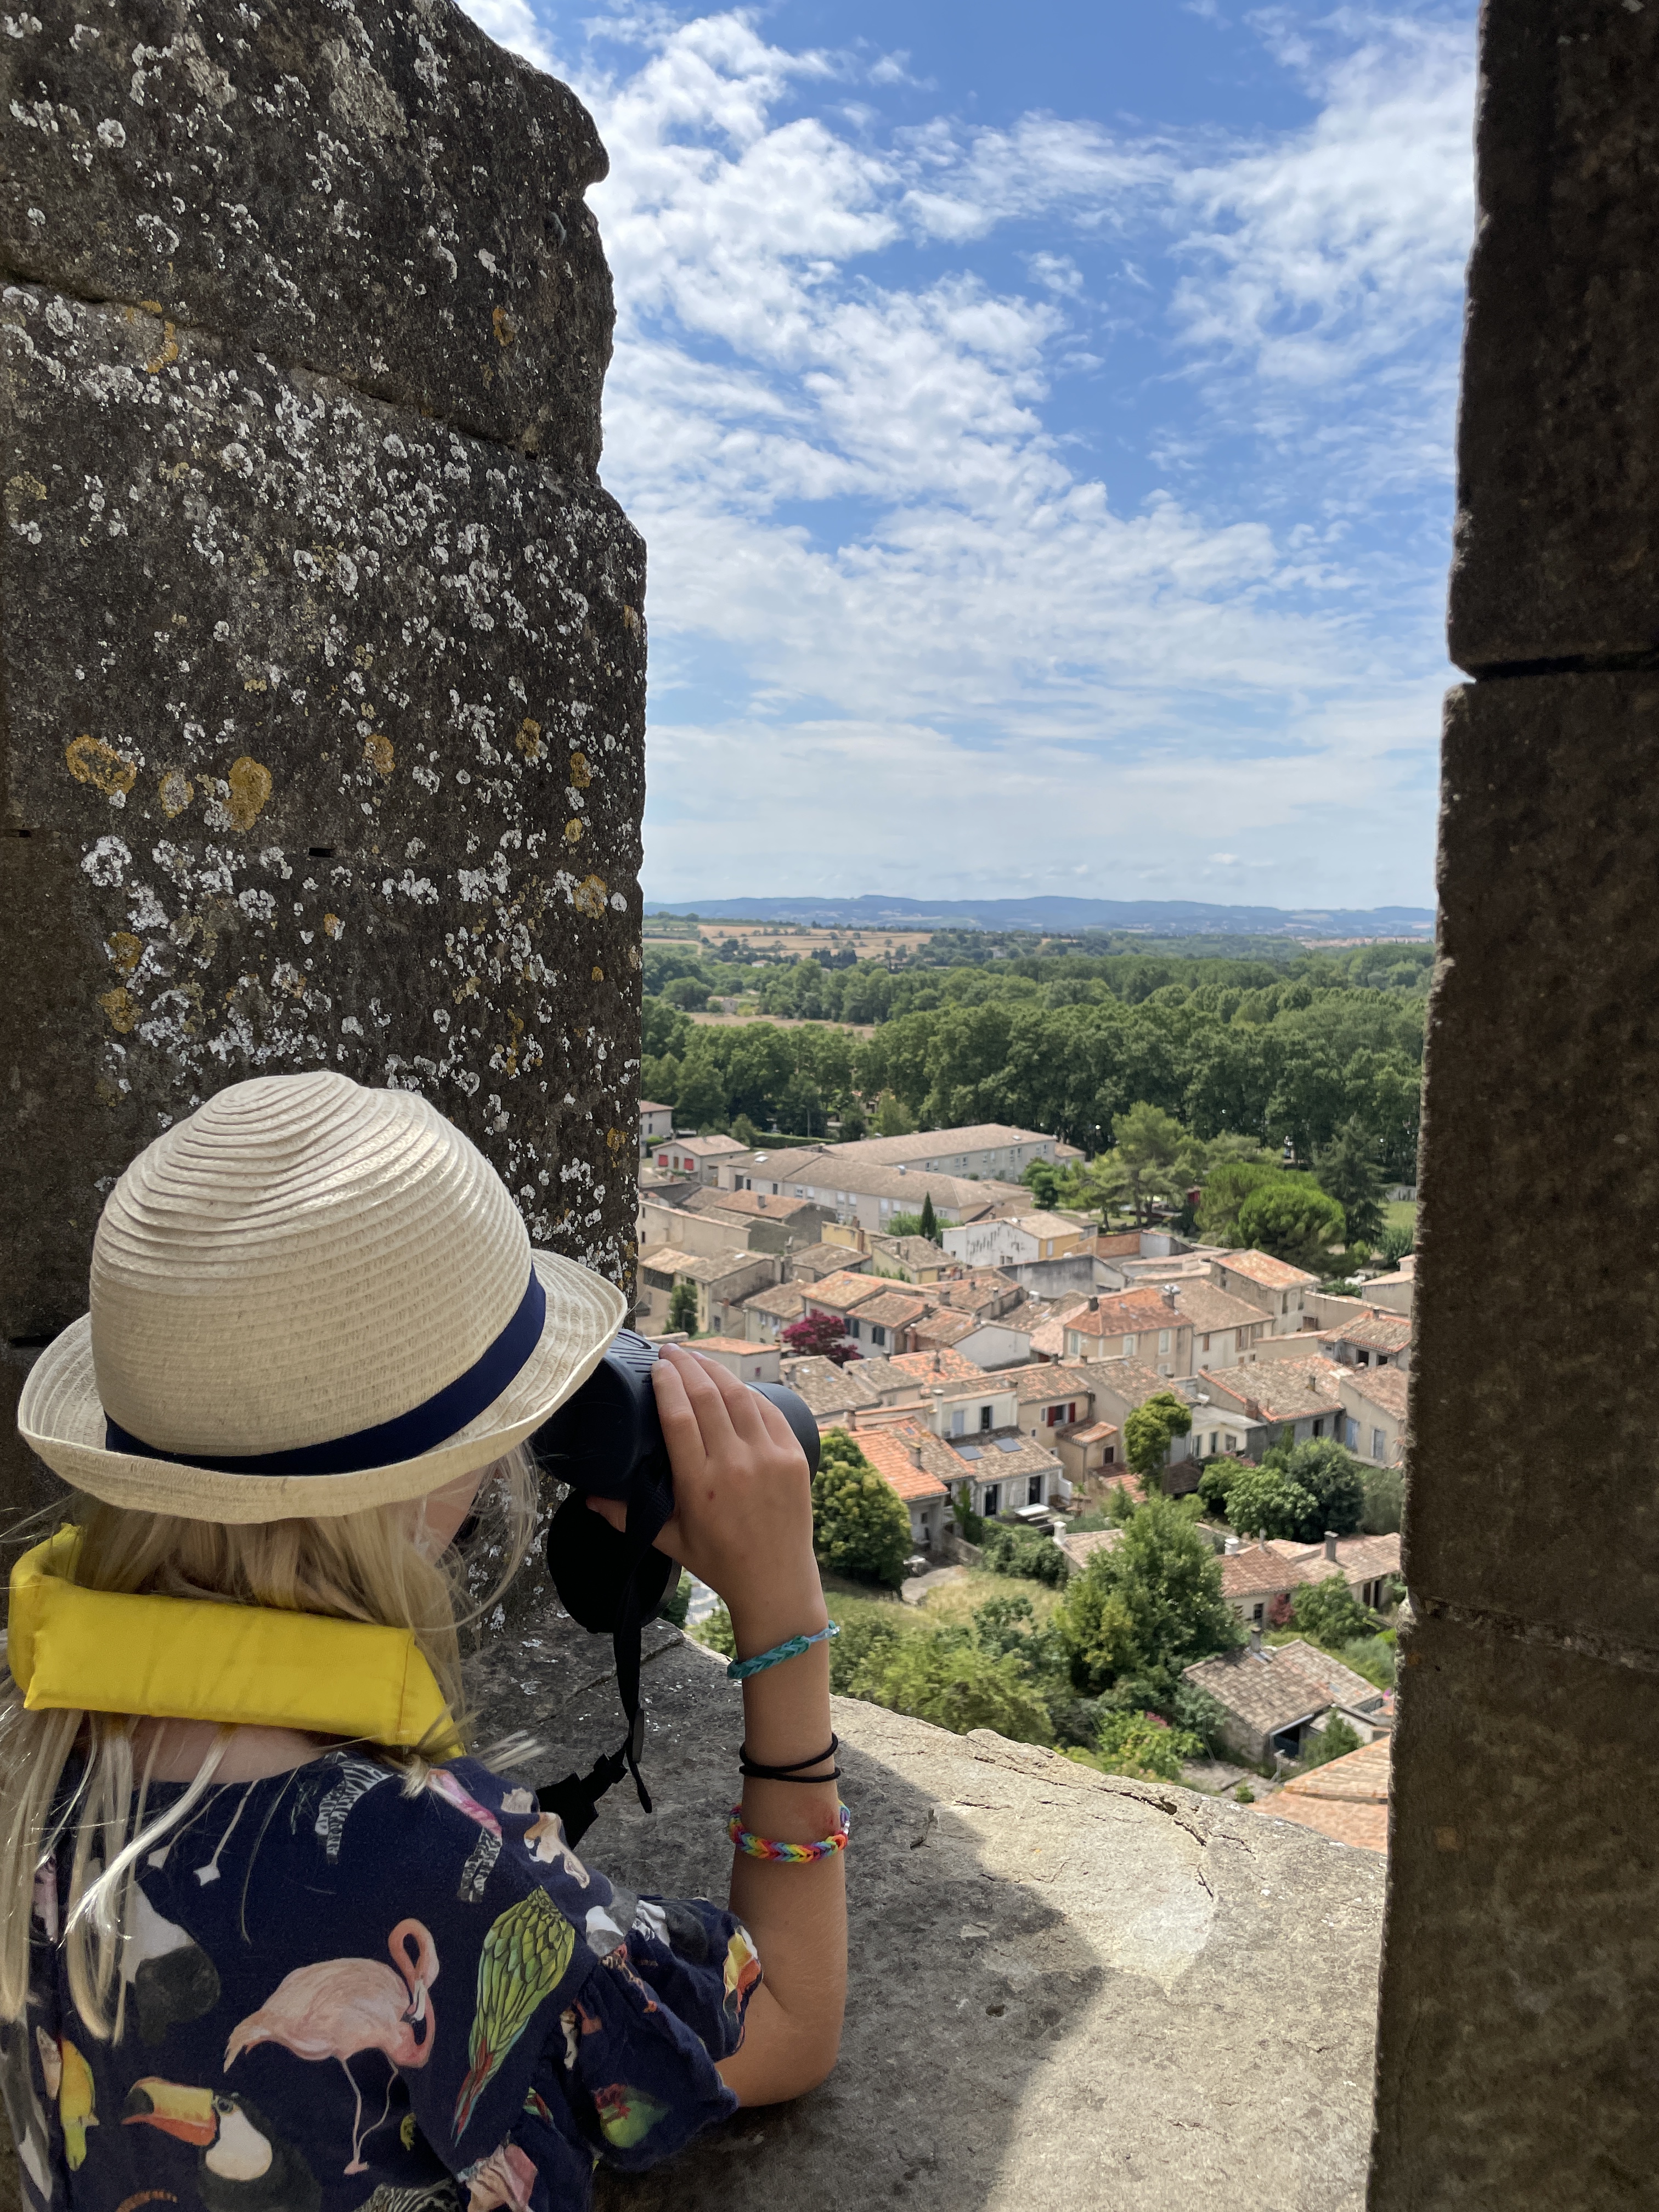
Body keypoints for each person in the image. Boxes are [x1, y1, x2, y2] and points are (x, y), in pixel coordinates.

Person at [2, 1073, 847, 2212]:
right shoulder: (446, 1865)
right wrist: (786, 1621)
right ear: (426, 1489)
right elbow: (786, 2022)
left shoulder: (29, 1757)